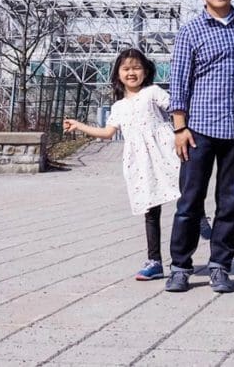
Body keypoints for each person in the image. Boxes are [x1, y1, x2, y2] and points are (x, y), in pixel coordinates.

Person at [165, 0, 234, 294]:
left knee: (229, 204)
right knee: (190, 202)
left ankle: (220, 265)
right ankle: (180, 266)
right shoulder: (190, 30)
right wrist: (180, 127)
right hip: (198, 131)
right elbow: (179, 81)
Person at [63, 48, 178, 281]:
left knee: (185, 191)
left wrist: (183, 132)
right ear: (117, 74)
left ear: (146, 71)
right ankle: (154, 260)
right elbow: (107, 133)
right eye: (126, 68)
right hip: (140, 161)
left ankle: (199, 220)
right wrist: (79, 125)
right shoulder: (118, 107)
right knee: (150, 209)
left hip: (165, 151)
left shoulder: (153, 92)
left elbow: (176, 108)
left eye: (136, 67)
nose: (131, 72)